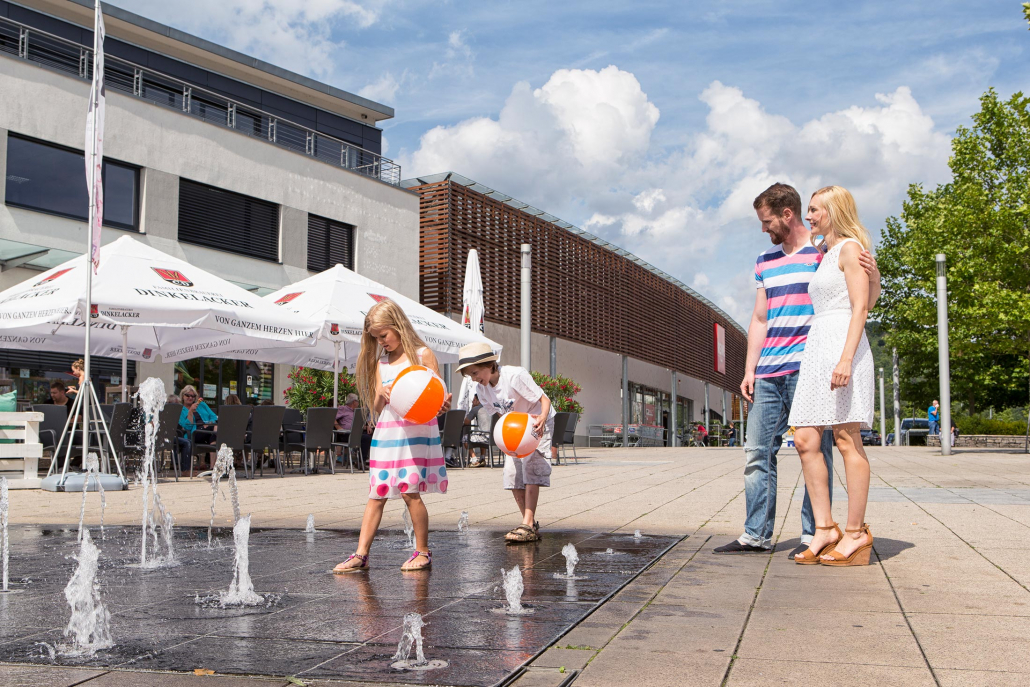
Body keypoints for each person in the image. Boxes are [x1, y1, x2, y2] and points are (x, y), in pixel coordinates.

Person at [714, 182, 880, 557]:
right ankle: (756, 534)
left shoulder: (824, 253)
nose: (763, 228)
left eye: (767, 220)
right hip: (771, 368)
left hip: (812, 362)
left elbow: (859, 303)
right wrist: (749, 368)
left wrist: (874, 276)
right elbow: (759, 318)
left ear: (785, 214)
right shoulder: (765, 260)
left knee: (825, 444)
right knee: (762, 451)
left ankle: (817, 532)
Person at [788, 185, 877, 566]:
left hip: (843, 347)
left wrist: (845, 360)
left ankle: (855, 533)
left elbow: (860, 309)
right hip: (818, 348)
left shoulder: (850, 248)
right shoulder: (825, 252)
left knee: (846, 438)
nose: (809, 216)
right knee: (806, 438)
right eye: (808, 210)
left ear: (834, 210)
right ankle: (824, 528)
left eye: (814, 210)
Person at [332, 299, 451, 574]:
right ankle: (361, 555)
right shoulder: (382, 363)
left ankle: (423, 552)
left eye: (383, 336)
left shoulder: (423, 356)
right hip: (387, 432)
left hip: (414, 433)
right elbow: (375, 406)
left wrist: (443, 405)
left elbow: (435, 396)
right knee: (377, 493)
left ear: (398, 326)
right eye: (376, 338)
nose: (381, 342)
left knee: (411, 492)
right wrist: (380, 396)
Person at [456, 341, 555, 544]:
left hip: (536, 421)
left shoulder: (514, 376)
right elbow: (501, 414)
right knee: (512, 475)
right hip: (515, 428)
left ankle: (527, 524)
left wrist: (542, 419)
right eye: (470, 375)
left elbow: (544, 400)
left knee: (530, 470)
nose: (474, 378)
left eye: (475, 373)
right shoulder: (482, 390)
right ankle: (529, 524)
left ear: (490, 364)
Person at [178, 385, 217, 471]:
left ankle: (212, 467)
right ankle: (214, 466)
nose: (190, 398)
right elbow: (186, 427)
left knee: (215, 433)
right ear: (183, 396)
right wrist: (191, 411)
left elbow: (214, 417)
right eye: (187, 395)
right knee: (216, 430)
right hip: (194, 434)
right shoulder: (181, 409)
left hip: (208, 431)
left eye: (193, 396)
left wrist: (209, 423)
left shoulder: (201, 405)